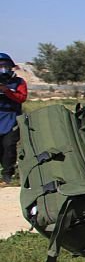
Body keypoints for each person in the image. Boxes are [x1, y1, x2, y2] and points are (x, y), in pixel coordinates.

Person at [0, 53, 28, 185]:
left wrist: (7, 91)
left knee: (9, 147)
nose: (3, 68)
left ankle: (7, 175)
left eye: (5, 66)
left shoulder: (19, 82)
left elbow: (22, 98)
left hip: (11, 119)